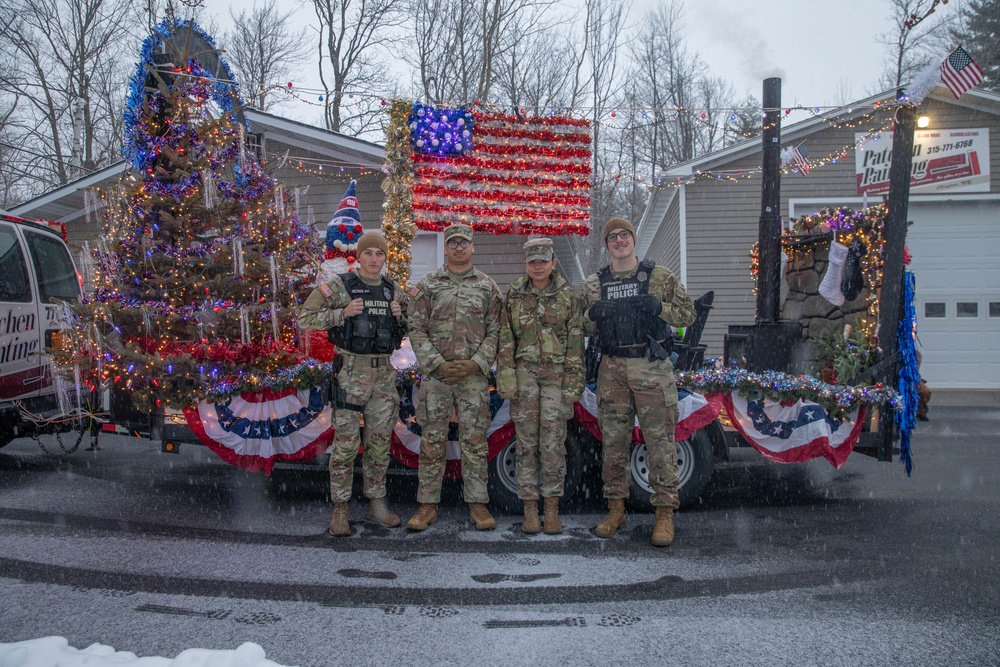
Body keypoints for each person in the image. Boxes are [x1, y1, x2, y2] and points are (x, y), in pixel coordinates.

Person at [581, 217, 696, 547]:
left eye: (624, 235)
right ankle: (616, 510)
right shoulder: (594, 284)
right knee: (613, 444)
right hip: (612, 368)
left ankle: (664, 515)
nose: (619, 241)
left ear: (633, 239)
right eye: (612, 237)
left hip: (650, 366)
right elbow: (579, 326)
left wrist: (660, 307)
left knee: (659, 442)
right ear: (606, 245)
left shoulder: (658, 276)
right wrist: (592, 316)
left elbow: (688, 314)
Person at [298, 231, 407, 537]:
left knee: (379, 446)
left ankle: (377, 503)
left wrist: (402, 317)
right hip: (350, 373)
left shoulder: (391, 290)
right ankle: (340, 510)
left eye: (379, 254)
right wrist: (340, 313)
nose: (374, 259)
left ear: (386, 258)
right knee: (346, 446)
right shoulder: (341, 286)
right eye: (368, 253)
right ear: (358, 256)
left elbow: (414, 323)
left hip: (383, 377)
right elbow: (305, 317)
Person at [406, 224, 503, 531]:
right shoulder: (429, 285)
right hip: (437, 379)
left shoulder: (488, 286)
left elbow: (496, 331)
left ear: (472, 247)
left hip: (473, 379)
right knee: (432, 441)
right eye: (453, 243)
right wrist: (436, 363)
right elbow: (416, 328)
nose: (459, 247)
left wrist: (477, 364)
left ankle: (477, 504)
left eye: (464, 243)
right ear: (445, 248)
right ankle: (427, 505)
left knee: (474, 442)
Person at [497, 237, 585, 535]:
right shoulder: (514, 295)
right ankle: (530, 509)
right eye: (532, 262)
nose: (537, 267)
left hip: (556, 377)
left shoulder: (568, 297)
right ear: (526, 264)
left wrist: (573, 385)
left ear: (553, 263)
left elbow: (575, 344)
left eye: (542, 261)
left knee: (552, 444)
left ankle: (552, 507)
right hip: (524, 375)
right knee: (526, 444)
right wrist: (506, 378)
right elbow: (506, 339)